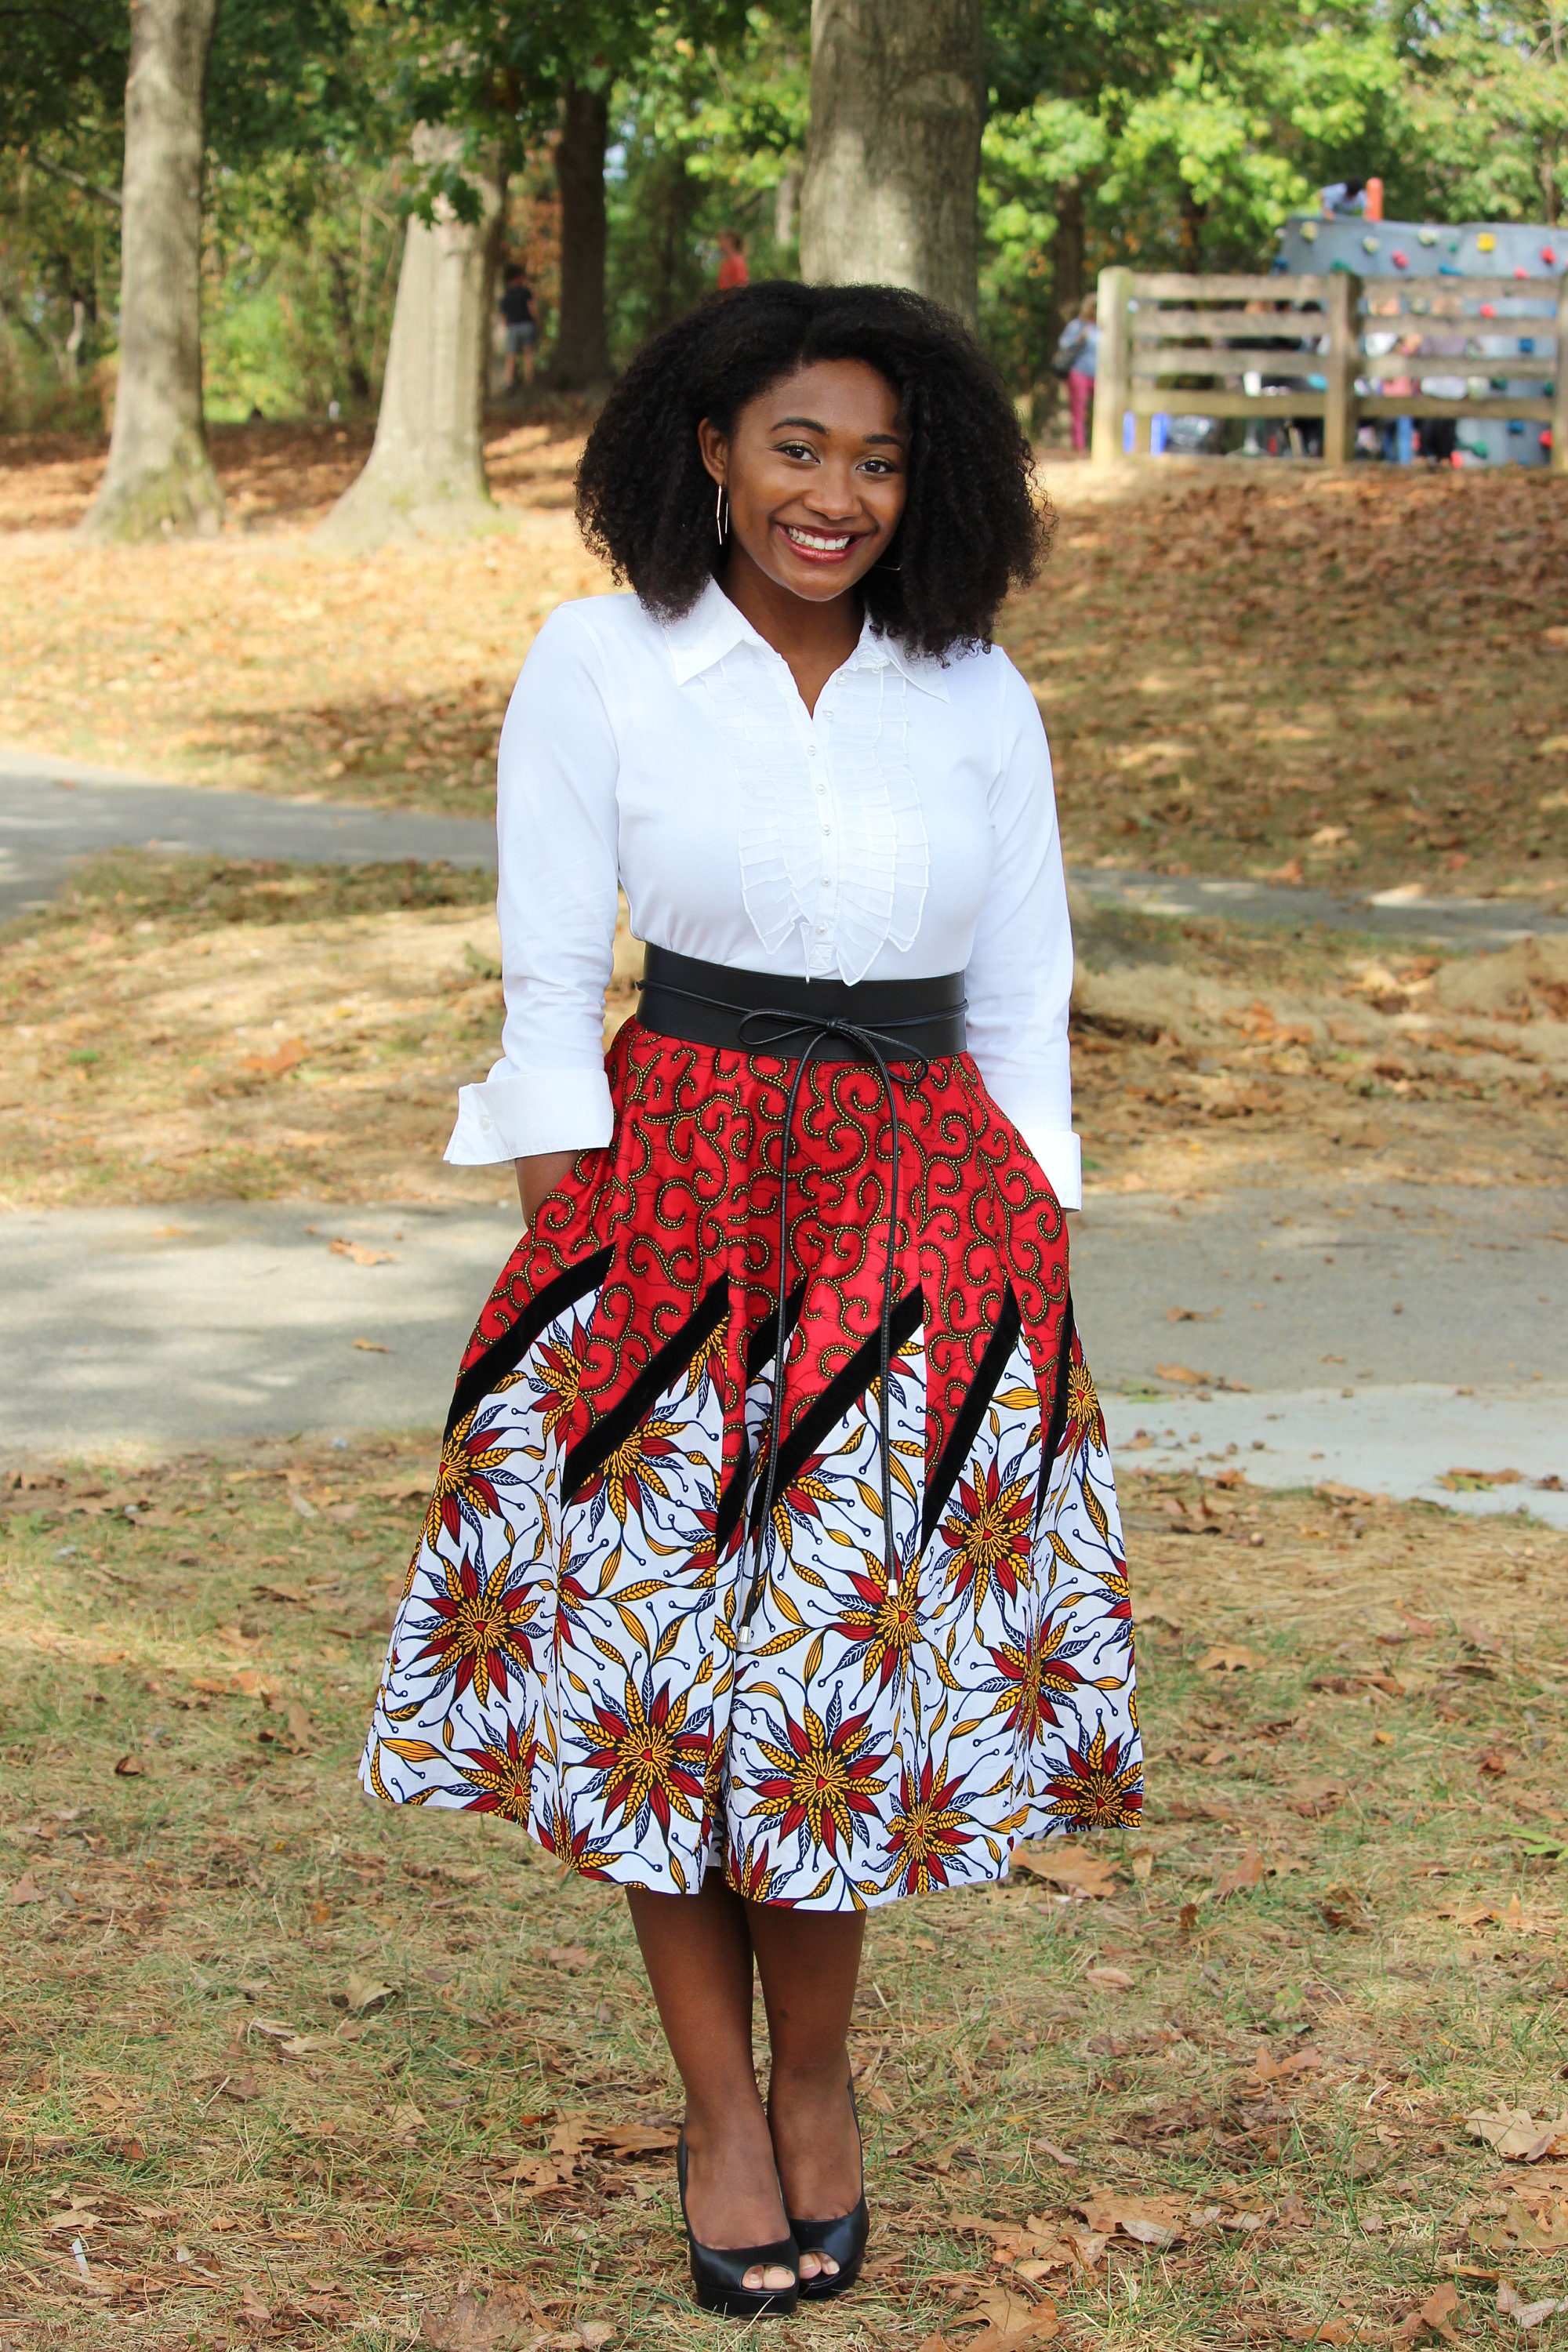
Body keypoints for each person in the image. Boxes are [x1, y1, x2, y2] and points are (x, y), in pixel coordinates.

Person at [361, 281, 1139, 2321]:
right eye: (800, 448)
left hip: (921, 1220)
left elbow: (1025, 996)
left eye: (879, 461)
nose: (840, 496)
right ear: (707, 448)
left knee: (820, 1693)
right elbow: (546, 991)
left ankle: (821, 2084)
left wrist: (1027, 1229)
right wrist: (584, 1262)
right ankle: (718, 2109)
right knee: (652, 1688)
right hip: (672, 1205)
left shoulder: (971, 683)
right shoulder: (600, 663)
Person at [1052, 292, 1097, 452]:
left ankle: (1099, 445)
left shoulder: (1103, 329)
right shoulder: (1077, 326)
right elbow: (1064, 344)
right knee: (1079, 411)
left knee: (1101, 410)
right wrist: (1079, 338)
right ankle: (1080, 447)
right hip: (1079, 373)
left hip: (1100, 376)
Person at [499, 263, 537, 390]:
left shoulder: (506, 296)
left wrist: (507, 328)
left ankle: (509, 382)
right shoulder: (526, 293)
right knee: (528, 354)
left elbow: (504, 316)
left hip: (513, 327)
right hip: (527, 325)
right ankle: (529, 381)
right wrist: (538, 321)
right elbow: (532, 308)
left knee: (511, 355)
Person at [717, 227, 750, 291]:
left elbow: (741, 287)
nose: (719, 243)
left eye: (722, 239)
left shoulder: (737, 261)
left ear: (730, 240)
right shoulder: (725, 263)